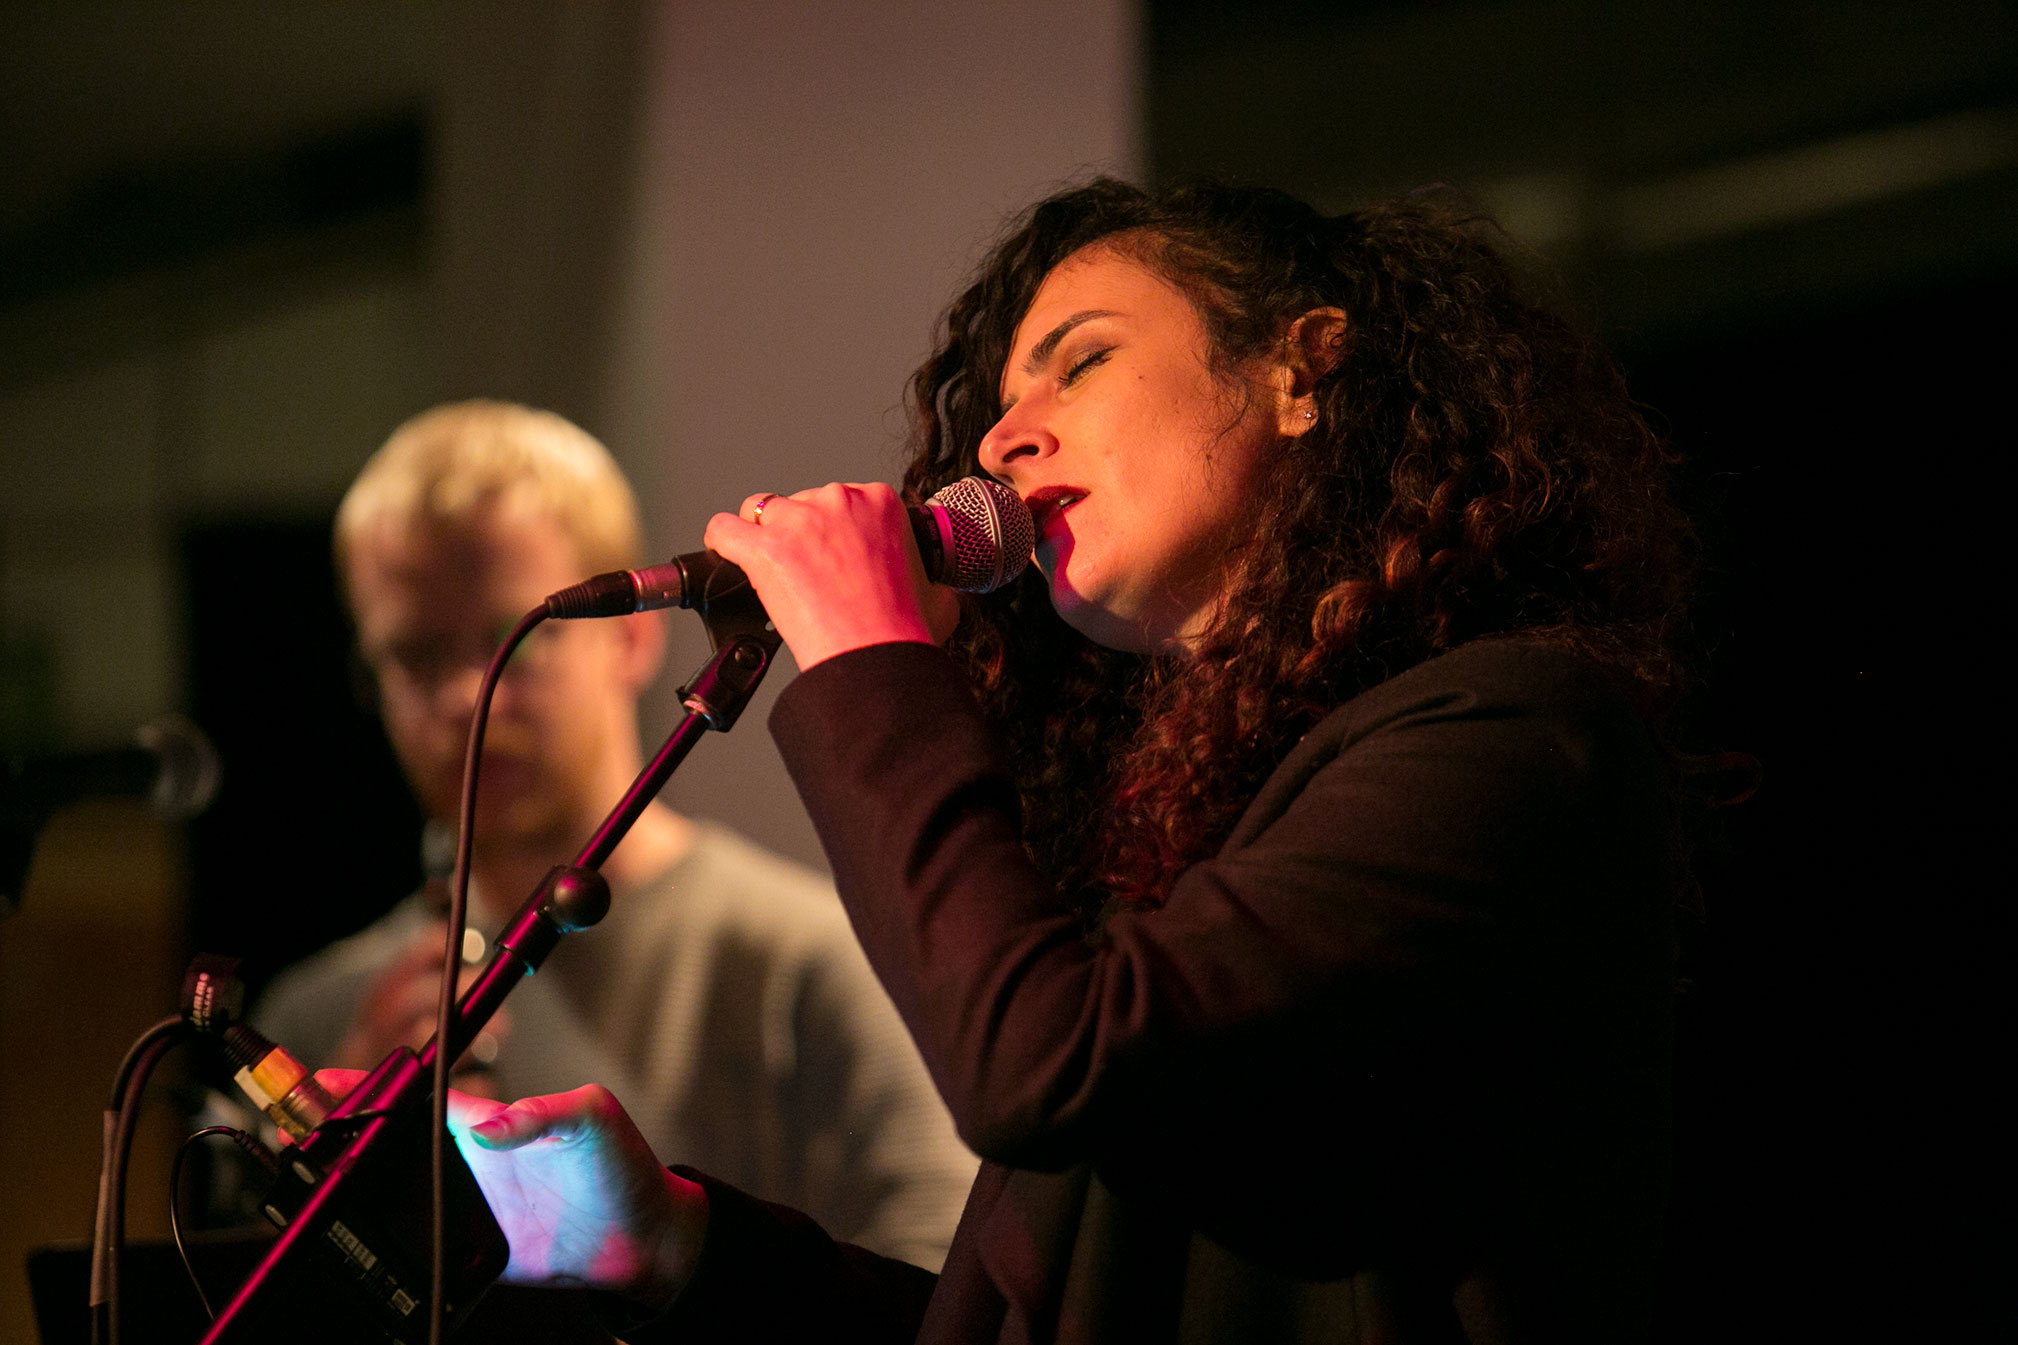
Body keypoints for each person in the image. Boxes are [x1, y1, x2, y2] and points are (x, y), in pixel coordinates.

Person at [361, 181, 1696, 1343]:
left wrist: (871, 654)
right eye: (1000, 399)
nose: (1004, 437)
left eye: (1082, 360)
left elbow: (1042, 1061)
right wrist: (666, 1244)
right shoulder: (1187, 843)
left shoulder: (1509, 744)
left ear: (1298, 371)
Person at [254, 400, 977, 1271]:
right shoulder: (317, 1019)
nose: (461, 697)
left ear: (633, 638)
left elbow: (944, 1277)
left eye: (508, 639)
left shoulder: (813, 957)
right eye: (413, 655)